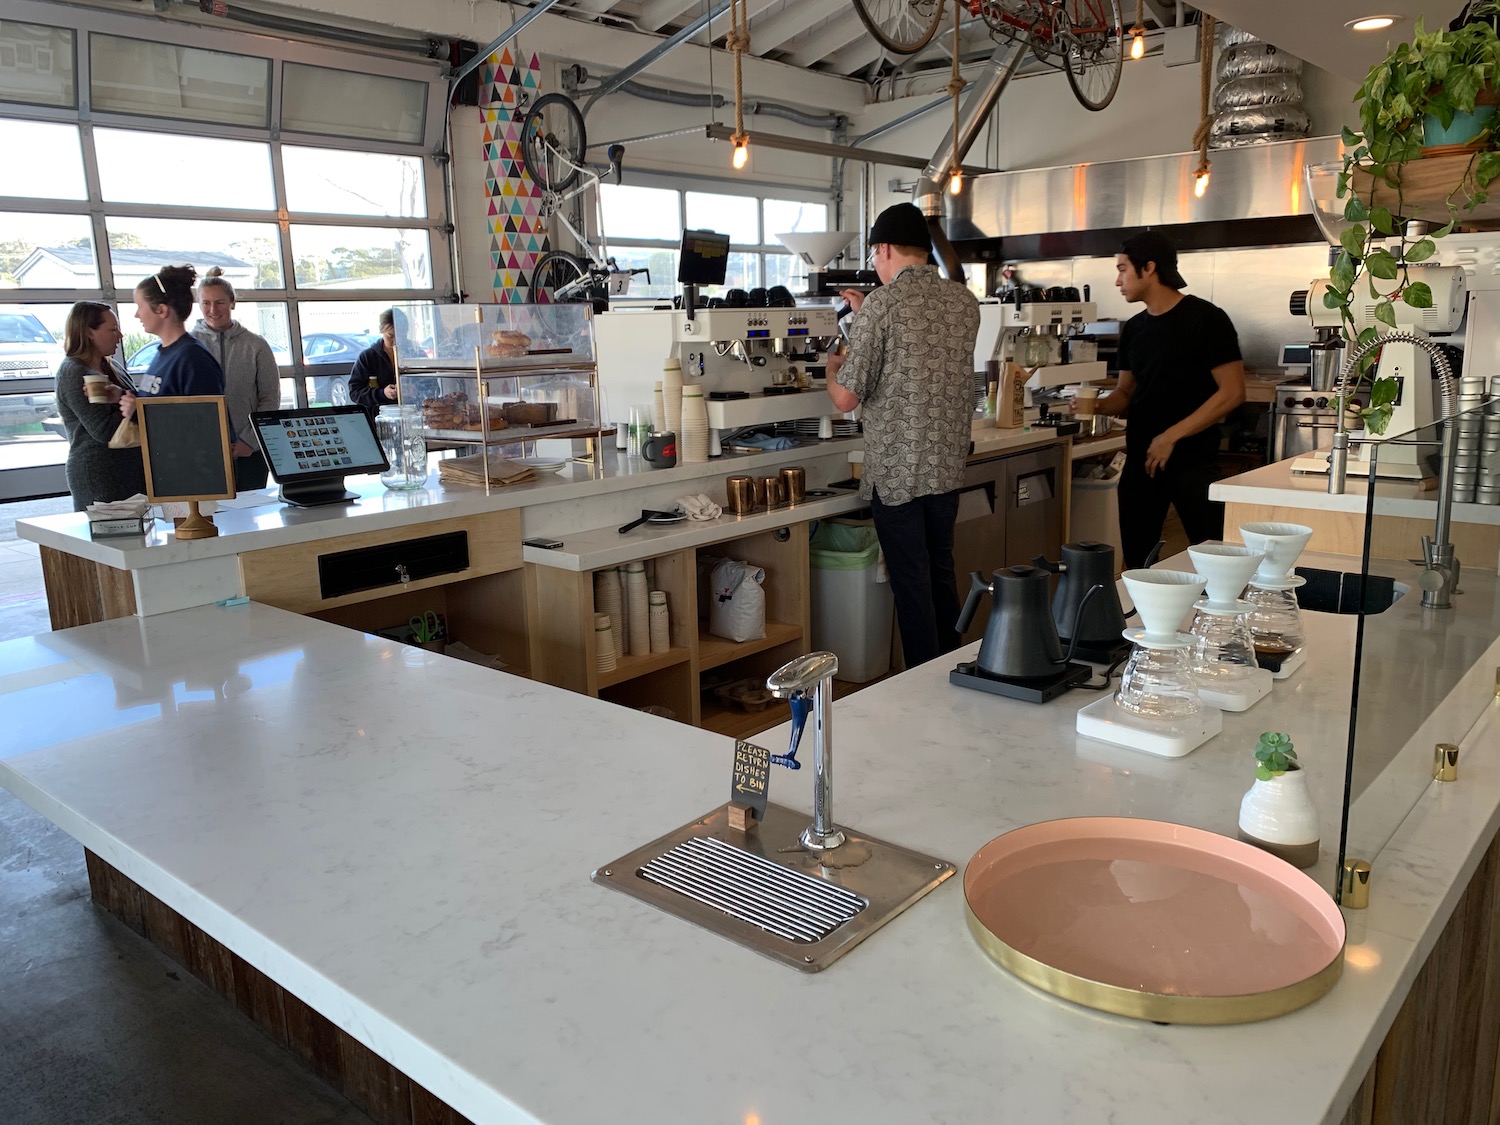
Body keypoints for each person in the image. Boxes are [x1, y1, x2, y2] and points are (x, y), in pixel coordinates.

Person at [826, 202, 980, 669]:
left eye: (874, 255)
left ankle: (921, 688)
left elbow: (847, 399)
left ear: (884, 248)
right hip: (946, 467)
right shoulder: (963, 301)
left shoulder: (883, 304)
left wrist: (833, 370)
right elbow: (911, 355)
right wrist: (862, 315)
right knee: (939, 571)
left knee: (910, 581)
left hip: (897, 472)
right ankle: (950, 669)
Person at [1086, 230, 1246, 569]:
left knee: (1215, 560)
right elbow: (1125, 393)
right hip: (1141, 462)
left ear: (1149, 268)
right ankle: (1143, 621)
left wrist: (1170, 436)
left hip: (1193, 461)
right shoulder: (1133, 329)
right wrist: (1095, 406)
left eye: (1122, 269)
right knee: (1137, 561)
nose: (1118, 281)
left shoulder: (1206, 318)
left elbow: (1232, 392)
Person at [193, 267, 280, 491]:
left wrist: (249, 441)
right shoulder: (188, 346)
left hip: (249, 452)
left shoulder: (256, 345)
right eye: (206, 303)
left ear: (232, 303)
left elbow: (270, 399)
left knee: (250, 518)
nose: (213, 309)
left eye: (220, 302)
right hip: (202, 453)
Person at [54, 301, 146, 511]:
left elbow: (135, 407)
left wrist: (127, 401)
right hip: (100, 477)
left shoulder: (112, 367)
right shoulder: (74, 371)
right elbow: (104, 430)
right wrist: (132, 406)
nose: (120, 336)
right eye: (112, 330)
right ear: (89, 333)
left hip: (130, 472)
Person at [120, 264, 226, 426]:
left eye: (140, 306)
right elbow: (160, 399)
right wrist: (120, 396)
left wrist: (140, 413)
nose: (137, 314)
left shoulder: (193, 359)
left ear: (162, 310)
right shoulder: (163, 354)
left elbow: (205, 425)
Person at [348, 308, 405, 416]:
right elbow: (355, 392)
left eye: (401, 335)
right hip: (377, 419)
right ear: (381, 330)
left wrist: (416, 388)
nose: (396, 341)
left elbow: (432, 386)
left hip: (409, 417)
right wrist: (382, 393)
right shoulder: (368, 357)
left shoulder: (415, 354)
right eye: (391, 336)